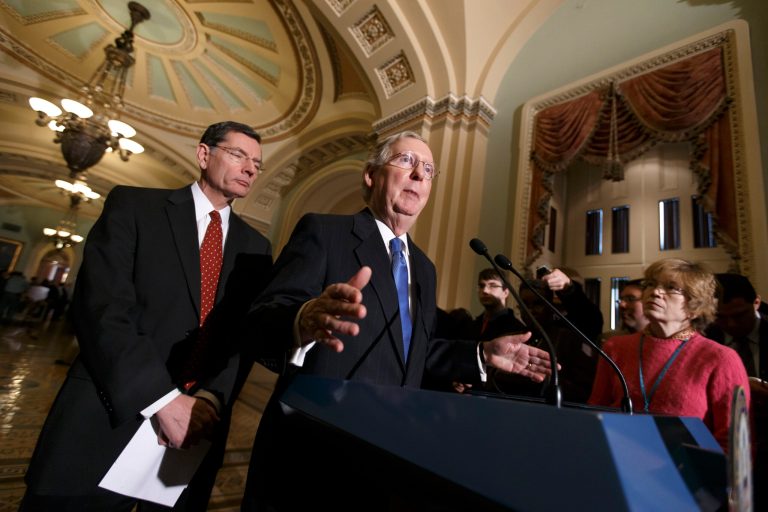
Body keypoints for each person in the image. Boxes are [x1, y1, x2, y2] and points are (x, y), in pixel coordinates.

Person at [241, 131, 553, 510]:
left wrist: (482, 356)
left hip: (388, 452)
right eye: (406, 161)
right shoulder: (324, 232)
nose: (420, 175)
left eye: (428, 169)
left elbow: (415, 351)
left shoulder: (424, 267)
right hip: (315, 448)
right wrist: (304, 318)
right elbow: (263, 317)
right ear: (371, 176)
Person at [21, 121, 273, 511]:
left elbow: (240, 338)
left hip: (194, 433)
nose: (250, 168)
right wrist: (162, 400)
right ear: (204, 155)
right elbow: (103, 309)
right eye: (239, 155)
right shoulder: (135, 206)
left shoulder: (256, 248)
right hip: (109, 416)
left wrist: (209, 399)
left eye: (257, 163)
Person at [589, 258, 750, 451]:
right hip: (618, 461)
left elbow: (734, 443)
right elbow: (595, 411)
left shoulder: (720, 358)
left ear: (694, 306)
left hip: (688, 473)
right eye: (650, 284)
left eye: (671, 287)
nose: (655, 292)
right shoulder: (615, 347)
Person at [705, 272, 768, 508]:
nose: (731, 325)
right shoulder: (707, 339)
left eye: (739, 316)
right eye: (721, 317)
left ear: (757, 303)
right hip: (725, 450)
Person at [516, 268, 603, 402]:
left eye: (538, 303)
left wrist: (569, 289)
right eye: (524, 304)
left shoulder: (570, 332)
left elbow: (589, 317)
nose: (530, 310)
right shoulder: (516, 335)